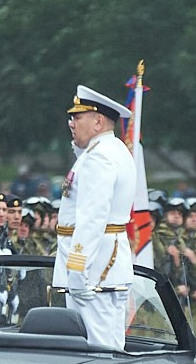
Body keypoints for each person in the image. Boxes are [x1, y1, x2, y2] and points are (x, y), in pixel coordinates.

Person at [53, 85, 137, 350]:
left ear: (98, 121)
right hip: (107, 261)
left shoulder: (98, 158)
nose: (71, 123)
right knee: (111, 345)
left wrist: (77, 270)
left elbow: (92, 218)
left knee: (95, 350)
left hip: (93, 266)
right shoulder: (114, 150)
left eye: (78, 118)